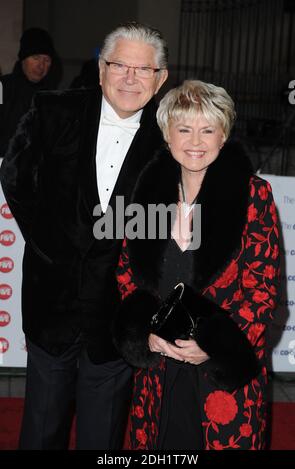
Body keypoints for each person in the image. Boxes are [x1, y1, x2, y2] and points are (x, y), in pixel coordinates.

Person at [0, 22, 168, 449]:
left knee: (103, 436)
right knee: (40, 430)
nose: (130, 78)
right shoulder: (54, 109)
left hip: (119, 316)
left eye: (143, 70)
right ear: (100, 69)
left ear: (161, 78)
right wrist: (47, 244)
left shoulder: (173, 138)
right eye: (119, 66)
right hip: (50, 302)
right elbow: (15, 176)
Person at [113, 80, 281, 450]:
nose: (195, 141)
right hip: (159, 366)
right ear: (168, 135)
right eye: (184, 129)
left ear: (223, 137)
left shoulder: (253, 196)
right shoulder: (148, 193)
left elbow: (262, 290)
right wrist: (146, 334)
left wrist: (213, 345)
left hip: (221, 373)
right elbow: (128, 273)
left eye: (208, 130)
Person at [0, 27, 61, 159]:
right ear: (23, 59)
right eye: (36, 58)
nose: (41, 65)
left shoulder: (53, 96)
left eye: (47, 60)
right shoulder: (3, 87)